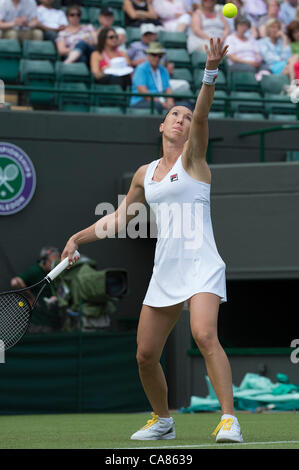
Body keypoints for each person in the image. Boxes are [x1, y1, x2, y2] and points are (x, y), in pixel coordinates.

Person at [61, 37, 243, 444]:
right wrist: (77, 238)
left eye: (184, 115)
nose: (180, 119)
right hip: (166, 269)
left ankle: (229, 419)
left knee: (204, 334)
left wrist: (209, 72)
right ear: (161, 126)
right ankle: (163, 420)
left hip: (201, 262)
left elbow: (202, 116)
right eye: (173, 114)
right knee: (145, 355)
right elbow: (122, 218)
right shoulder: (145, 173)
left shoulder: (194, 158)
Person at [10, 247, 61, 333]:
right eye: (52, 260)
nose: (54, 263)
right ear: (44, 260)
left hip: (53, 321)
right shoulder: (35, 271)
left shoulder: (56, 274)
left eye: (57, 260)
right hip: (37, 323)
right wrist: (31, 297)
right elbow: (15, 282)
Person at [130, 41, 175, 113]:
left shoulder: (163, 70)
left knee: (183, 105)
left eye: (159, 56)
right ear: (148, 55)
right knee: (158, 106)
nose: (157, 58)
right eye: (154, 55)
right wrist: (162, 104)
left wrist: (170, 103)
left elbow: (168, 89)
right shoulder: (141, 69)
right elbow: (143, 92)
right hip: (141, 100)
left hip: (160, 100)